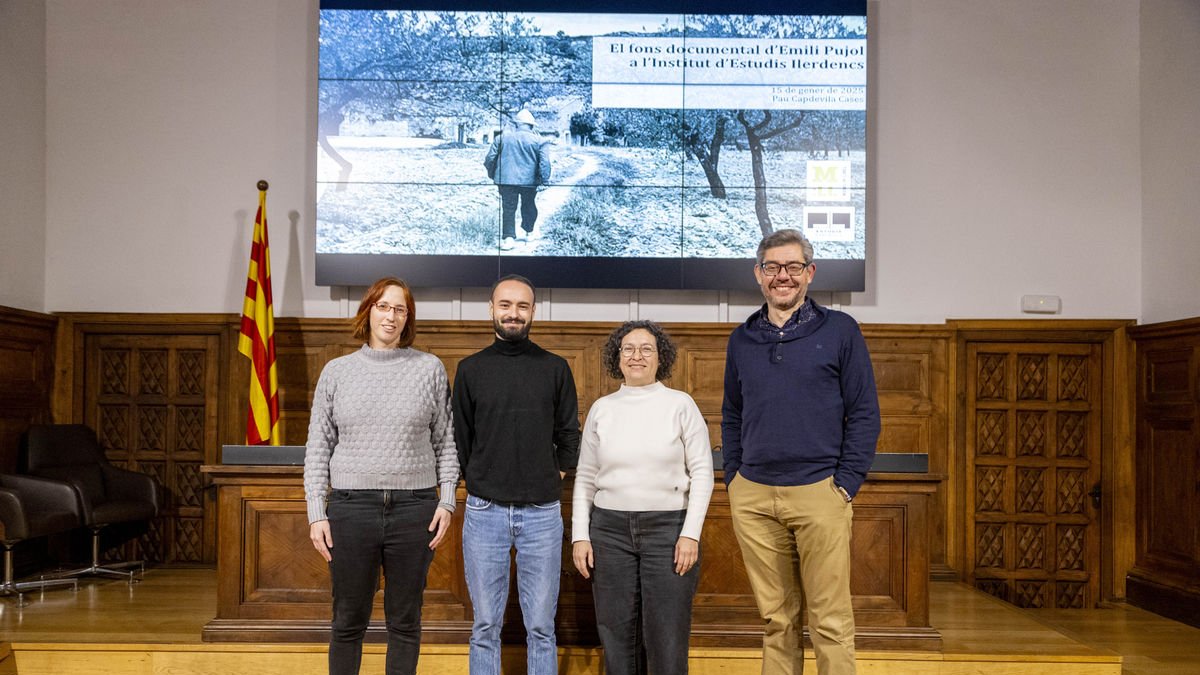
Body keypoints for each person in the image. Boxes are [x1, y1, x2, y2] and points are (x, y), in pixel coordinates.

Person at [721, 229, 880, 675]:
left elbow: (865, 413)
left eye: (792, 267)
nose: (782, 276)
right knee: (777, 622)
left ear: (809, 273)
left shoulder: (840, 331)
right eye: (772, 267)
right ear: (759, 275)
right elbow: (732, 414)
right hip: (753, 498)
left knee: (830, 623)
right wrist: (735, 478)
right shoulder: (742, 339)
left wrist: (845, 485)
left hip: (819, 494)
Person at [303, 277, 459, 675]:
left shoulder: (429, 369)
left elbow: (446, 443)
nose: (391, 316)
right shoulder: (337, 372)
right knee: (348, 621)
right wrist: (316, 512)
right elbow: (318, 448)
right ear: (368, 310)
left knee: (405, 621)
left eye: (400, 309)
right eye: (383, 306)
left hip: (415, 510)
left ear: (408, 319)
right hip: (352, 510)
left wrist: (446, 501)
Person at [451, 274, 581, 675]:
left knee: (541, 626)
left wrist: (549, 475)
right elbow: (461, 438)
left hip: (542, 513)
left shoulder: (556, 369)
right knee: (485, 625)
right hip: (484, 510)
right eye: (505, 305)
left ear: (533, 312)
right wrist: (484, 476)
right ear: (491, 309)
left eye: (522, 306)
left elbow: (568, 436)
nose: (513, 313)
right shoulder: (470, 370)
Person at [571, 320, 714, 674]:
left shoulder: (681, 405)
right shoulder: (602, 409)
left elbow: (702, 473)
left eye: (646, 349)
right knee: (616, 630)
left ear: (660, 357)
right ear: (617, 358)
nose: (637, 356)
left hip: (668, 531)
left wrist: (690, 533)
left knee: (666, 633)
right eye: (629, 349)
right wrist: (580, 535)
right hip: (609, 531)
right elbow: (585, 477)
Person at [483, 109, 552, 251]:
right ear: (531, 126)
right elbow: (545, 163)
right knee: (528, 205)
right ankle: (529, 232)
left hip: (506, 180)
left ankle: (508, 239)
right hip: (529, 181)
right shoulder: (540, 141)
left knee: (508, 208)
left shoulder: (501, 138)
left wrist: (493, 174)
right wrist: (545, 180)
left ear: (517, 124)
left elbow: (490, 159)